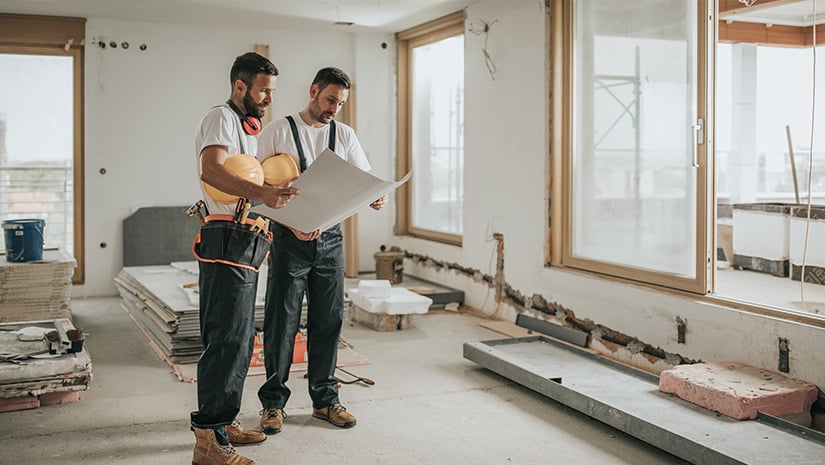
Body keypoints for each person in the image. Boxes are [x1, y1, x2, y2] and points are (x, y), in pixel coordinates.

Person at [256, 67, 386, 435]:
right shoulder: (278, 131)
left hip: (331, 241)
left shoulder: (344, 135)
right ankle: (273, 404)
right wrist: (291, 223)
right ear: (313, 91)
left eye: (340, 103)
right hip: (288, 240)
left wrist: (376, 196)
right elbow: (256, 188)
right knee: (282, 322)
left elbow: (363, 179)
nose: (334, 108)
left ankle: (326, 400)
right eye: (330, 99)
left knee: (328, 320)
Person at [190, 52, 299, 465]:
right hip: (225, 235)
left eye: (272, 91)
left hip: (244, 236)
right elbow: (212, 172)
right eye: (264, 90)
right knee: (226, 340)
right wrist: (264, 193)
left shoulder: (247, 129)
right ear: (240, 86)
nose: (269, 98)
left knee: (240, 339)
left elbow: (248, 180)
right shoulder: (220, 117)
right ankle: (209, 442)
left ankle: (224, 422)